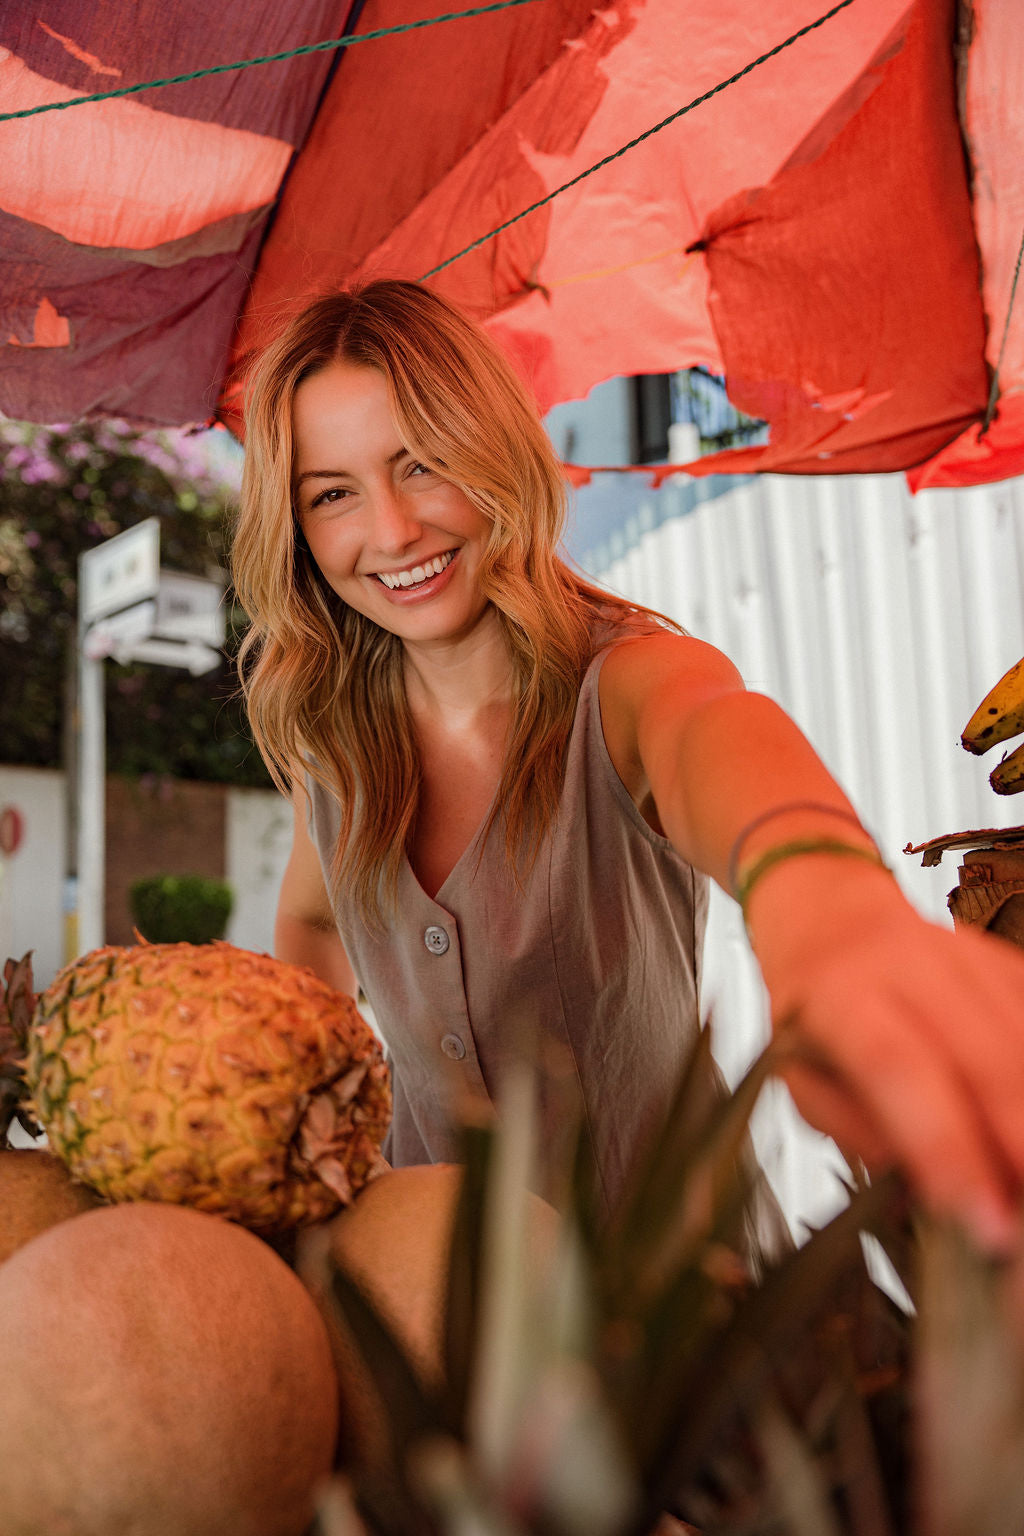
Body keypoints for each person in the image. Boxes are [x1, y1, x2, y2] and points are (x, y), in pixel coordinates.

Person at [232, 278, 1024, 1254]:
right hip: (441, 1328)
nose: (392, 531)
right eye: (334, 494)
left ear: (495, 452)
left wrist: (826, 911)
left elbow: (714, 736)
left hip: (694, 1327)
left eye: (424, 464)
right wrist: (310, 1094)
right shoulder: (335, 743)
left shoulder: (629, 682)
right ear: (298, 528)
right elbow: (313, 916)